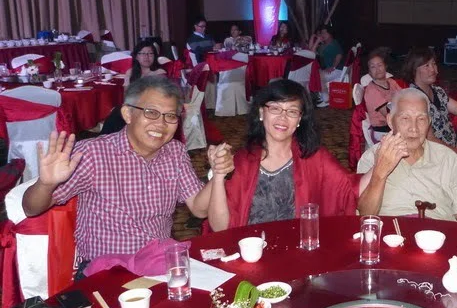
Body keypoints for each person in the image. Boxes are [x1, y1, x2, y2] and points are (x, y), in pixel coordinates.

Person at [21, 76, 233, 274]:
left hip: (158, 262)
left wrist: (217, 175)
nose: (161, 124)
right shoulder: (93, 154)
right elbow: (31, 209)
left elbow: (198, 207)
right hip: (108, 269)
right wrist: (45, 184)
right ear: (128, 114)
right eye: (151, 112)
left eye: (170, 116)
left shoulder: (175, 152)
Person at [207, 79, 356, 231]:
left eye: (292, 111)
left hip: (298, 248)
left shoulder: (315, 157)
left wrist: (379, 164)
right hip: (252, 248)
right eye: (275, 108)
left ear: (299, 119)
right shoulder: (242, 161)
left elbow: (351, 188)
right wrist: (219, 175)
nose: (283, 118)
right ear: (261, 112)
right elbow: (219, 228)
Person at [357, 89, 457, 222]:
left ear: (429, 122)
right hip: (389, 236)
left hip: (438, 234)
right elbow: (365, 215)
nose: (414, 128)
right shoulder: (372, 157)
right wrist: (379, 173)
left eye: (421, 119)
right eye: (405, 118)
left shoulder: (447, 158)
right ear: (390, 121)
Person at [363, 47, 402, 138]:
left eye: (380, 65)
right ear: (369, 72)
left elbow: (404, 96)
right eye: (373, 67)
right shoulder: (372, 91)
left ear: (385, 67)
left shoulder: (391, 82)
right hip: (384, 130)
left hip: (396, 122)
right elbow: (389, 114)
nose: (377, 69)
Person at [315, 24, 344, 108]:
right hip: (328, 68)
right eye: (322, 33)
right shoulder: (324, 44)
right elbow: (315, 52)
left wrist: (333, 66)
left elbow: (339, 55)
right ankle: (321, 96)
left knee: (320, 76)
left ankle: (326, 99)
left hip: (337, 69)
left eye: (325, 33)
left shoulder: (333, 43)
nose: (323, 35)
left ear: (330, 34)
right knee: (315, 74)